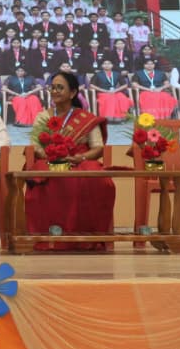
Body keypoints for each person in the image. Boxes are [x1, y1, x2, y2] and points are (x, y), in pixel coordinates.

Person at [24, 72, 115, 252]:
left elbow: (98, 148)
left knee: (99, 179)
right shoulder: (43, 117)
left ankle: (89, 236)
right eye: (53, 87)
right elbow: (35, 146)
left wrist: (80, 158)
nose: (55, 91)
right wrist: (52, 155)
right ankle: (48, 235)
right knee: (43, 175)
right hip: (50, 159)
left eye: (60, 88)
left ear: (73, 93)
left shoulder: (86, 118)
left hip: (80, 159)